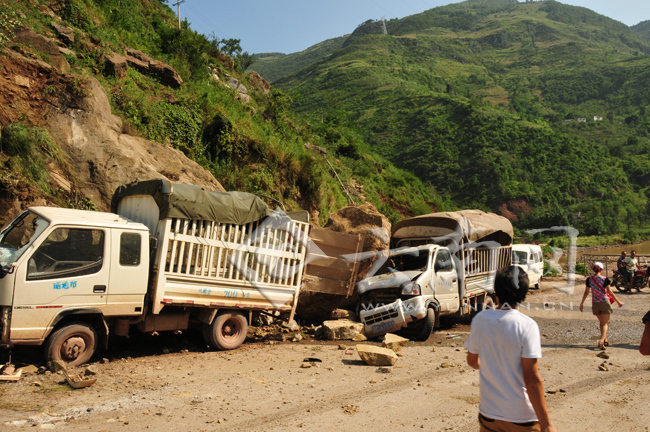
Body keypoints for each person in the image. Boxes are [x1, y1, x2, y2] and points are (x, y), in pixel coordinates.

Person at [466, 266, 556, 432]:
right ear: (524, 294)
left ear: (496, 292)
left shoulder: (480, 320)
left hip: (489, 416)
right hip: (522, 419)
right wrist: (546, 423)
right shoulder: (527, 326)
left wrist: (493, 367)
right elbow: (531, 377)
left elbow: (472, 361)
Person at [580, 261, 623, 349]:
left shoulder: (589, 280)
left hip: (595, 303)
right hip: (604, 302)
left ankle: (605, 340)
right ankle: (601, 340)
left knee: (602, 322)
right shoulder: (605, 279)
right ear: (601, 269)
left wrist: (582, 303)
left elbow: (586, 292)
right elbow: (610, 292)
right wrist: (618, 302)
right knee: (605, 323)